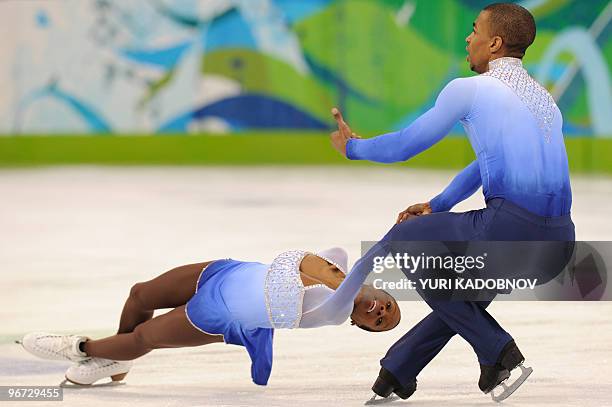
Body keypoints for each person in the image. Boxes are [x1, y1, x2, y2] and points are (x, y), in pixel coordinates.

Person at [329, 2, 574, 403]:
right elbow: (485, 164)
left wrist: (353, 149)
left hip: (510, 232)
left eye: (474, 29)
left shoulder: (470, 89)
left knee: (408, 239)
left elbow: (407, 144)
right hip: (558, 246)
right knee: (464, 292)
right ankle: (398, 369)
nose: (468, 37)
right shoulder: (544, 100)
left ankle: (497, 350)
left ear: (493, 43)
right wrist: (438, 204)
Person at [21, 248, 400, 386]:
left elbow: (336, 276)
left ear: (360, 325)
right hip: (227, 272)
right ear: (382, 291)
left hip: (225, 313)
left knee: (146, 336)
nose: (379, 312)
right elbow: (331, 258)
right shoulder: (343, 268)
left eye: (379, 322)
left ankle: (80, 347)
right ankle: (117, 363)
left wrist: (346, 273)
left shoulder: (335, 313)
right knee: (141, 293)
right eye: (388, 306)